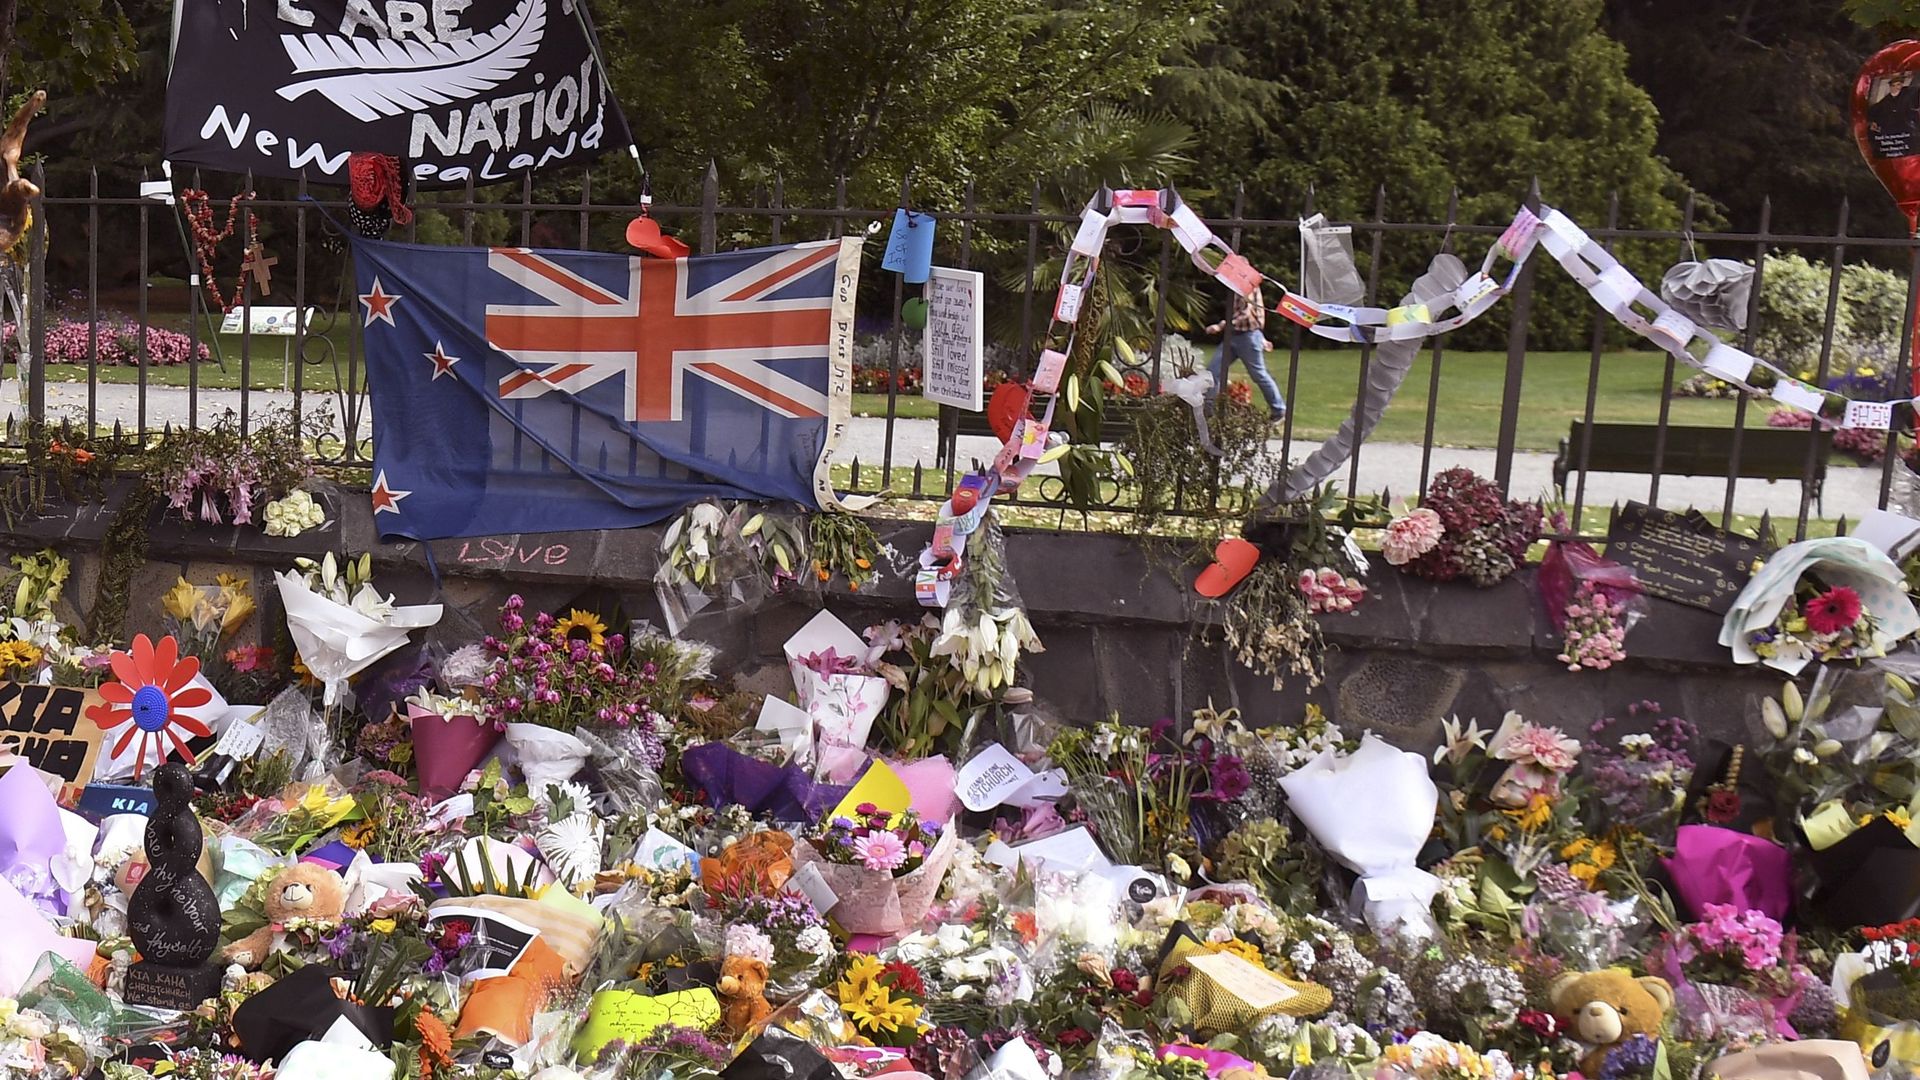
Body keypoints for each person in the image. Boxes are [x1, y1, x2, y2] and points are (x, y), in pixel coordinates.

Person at [1206, 285, 1286, 420]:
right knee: (1213, 372)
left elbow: (1246, 313)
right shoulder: (1234, 286)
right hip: (1232, 335)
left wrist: (1220, 326)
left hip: (1248, 336)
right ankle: (1208, 412)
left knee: (1258, 374)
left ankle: (1279, 410)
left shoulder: (1246, 285)